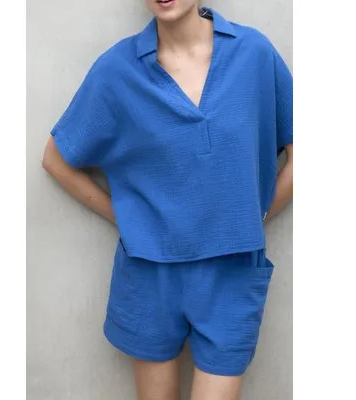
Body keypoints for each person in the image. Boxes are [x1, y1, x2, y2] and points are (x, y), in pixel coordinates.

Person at [42, 1, 293, 399]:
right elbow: (56, 159)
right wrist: (125, 218)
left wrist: (256, 215)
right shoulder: (117, 70)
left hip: (232, 272)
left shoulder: (255, 54)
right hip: (149, 273)